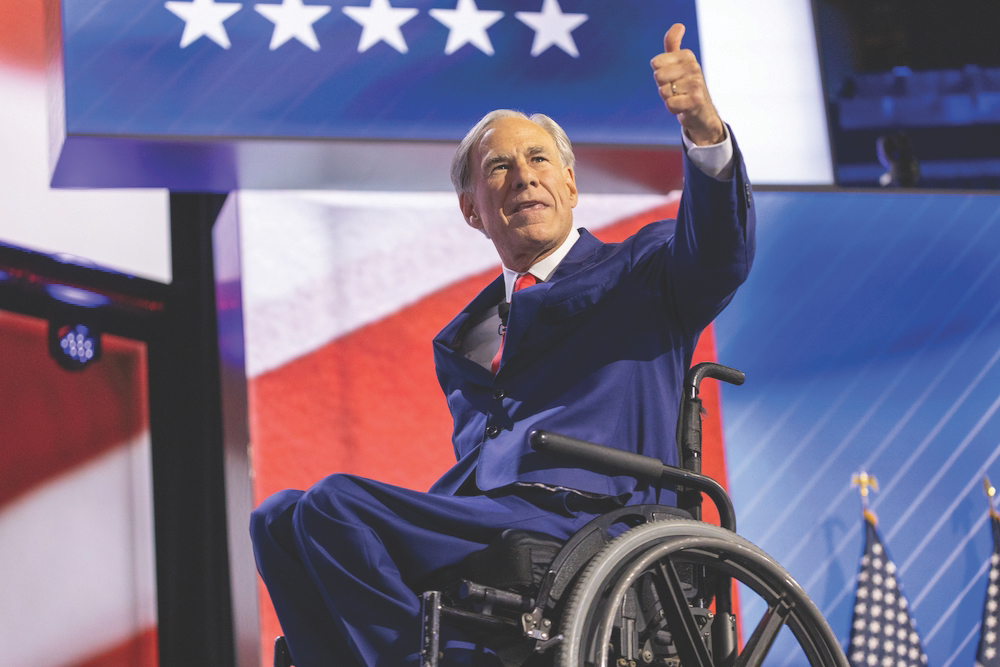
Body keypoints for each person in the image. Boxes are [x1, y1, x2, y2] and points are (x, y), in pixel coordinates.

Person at [250, 22, 755, 667]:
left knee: (332, 506)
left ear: (570, 186)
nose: (523, 176)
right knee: (275, 519)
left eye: (540, 159)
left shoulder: (643, 269)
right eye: (500, 167)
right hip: (487, 515)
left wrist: (706, 136)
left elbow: (720, 252)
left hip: (595, 516)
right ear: (472, 209)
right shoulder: (465, 339)